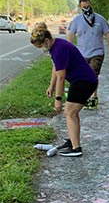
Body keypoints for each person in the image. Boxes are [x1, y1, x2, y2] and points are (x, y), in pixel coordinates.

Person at [30, 23, 98, 157]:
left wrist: (58, 99)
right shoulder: (55, 46)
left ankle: (76, 148)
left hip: (84, 81)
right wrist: (51, 85)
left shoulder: (59, 49)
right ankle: (73, 141)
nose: (43, 48)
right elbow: (56, 67)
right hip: (82, 80)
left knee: (70, 112)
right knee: (71, 113)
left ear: (47, 40)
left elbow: (61, 77)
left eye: (42, 45)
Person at [67, 0, 109, 108]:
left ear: (91, 5)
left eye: (88, 6)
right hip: (81, 54)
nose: (86, 8)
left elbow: (108, 34)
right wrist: (69, 52)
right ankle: (84, 97)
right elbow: (70, 35)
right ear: (80, 7)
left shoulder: (100, 19)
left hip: (97, 52)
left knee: (93, 75)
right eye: (84, 7)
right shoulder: (77, 21)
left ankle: (93, 97)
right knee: (82, 77)